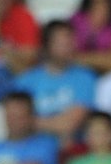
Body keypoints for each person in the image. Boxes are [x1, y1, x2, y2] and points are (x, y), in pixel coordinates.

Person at [11, 20, 97, 150]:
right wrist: (56, 123)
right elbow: (16, 122)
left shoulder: (85, 78)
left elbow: (71, 123)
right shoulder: (25, 80)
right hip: (31, 148)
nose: (69, 47)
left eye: (70, 42)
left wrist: (31, 121)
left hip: (69, 149)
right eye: (62, 43)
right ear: (47, 46)